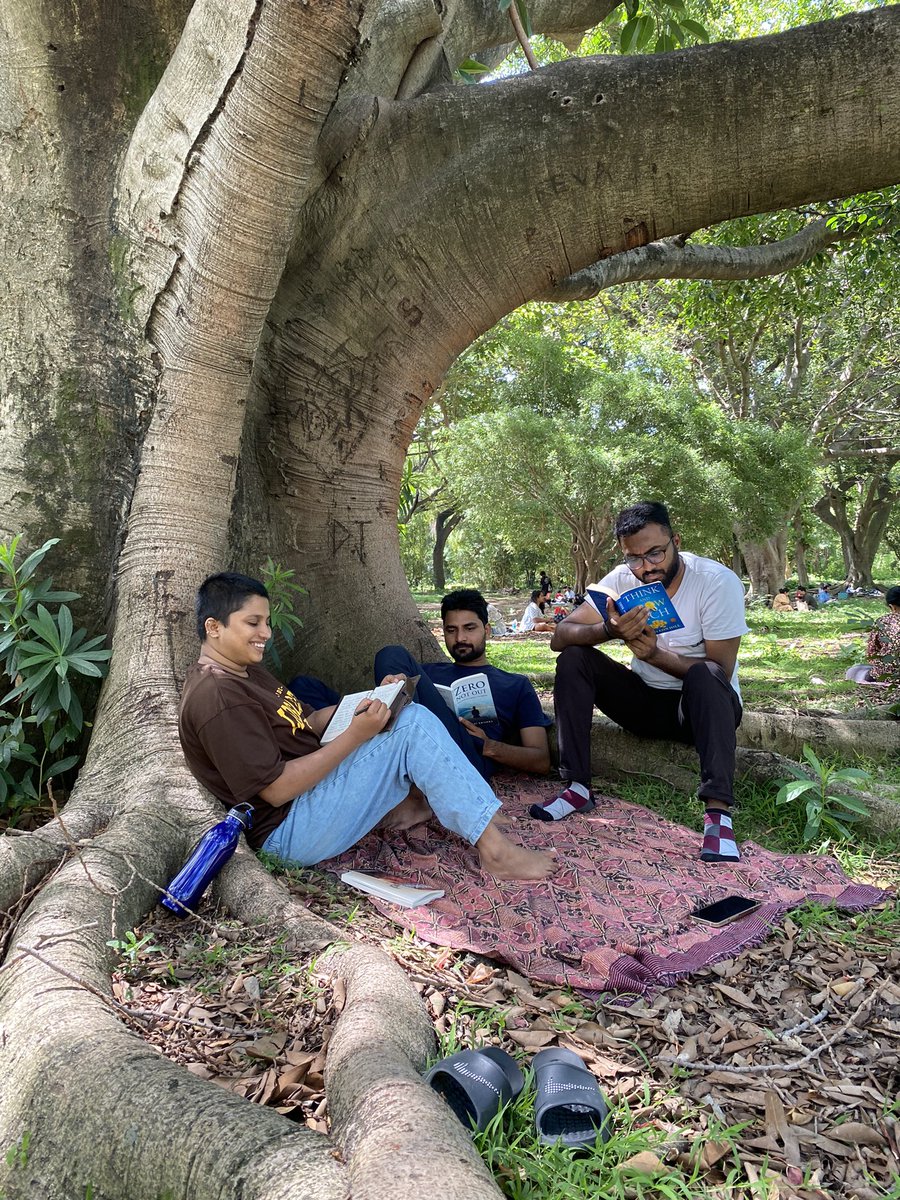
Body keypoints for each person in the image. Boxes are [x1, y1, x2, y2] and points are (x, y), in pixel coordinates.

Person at [178, 574, 556, 881]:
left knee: (401, 717)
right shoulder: (219, 696)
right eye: (252, 623)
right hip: (288, 830)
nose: (266, 633)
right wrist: (357, 735)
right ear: (214, 627)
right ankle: (495, 850)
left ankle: (452, 809)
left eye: (266, 622)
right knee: (413, 726)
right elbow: (276, 791)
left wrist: (368, 701)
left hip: (311, 796)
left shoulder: (244, 671)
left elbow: (305, 721)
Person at [539, 502, 749, 863]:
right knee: (574, 657)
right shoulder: (621, 580)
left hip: (700, 711)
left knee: (706, 673)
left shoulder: (715, 581)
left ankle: (718, 816)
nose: (646, 567)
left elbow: (722, 670)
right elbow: (561, 636)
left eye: (655, 553)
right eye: (634, 558)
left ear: (675, 541)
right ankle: (576, 787)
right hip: (645, 705)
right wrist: (608, 629)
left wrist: (654, 655)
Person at [373, 588, 552, 780]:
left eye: (469, 628)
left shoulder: (516, 684)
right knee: (391, 655)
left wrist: (489, 746)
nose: (460, 638)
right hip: (417, 745)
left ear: (487, 630)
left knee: (396, 655)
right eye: (452, 630)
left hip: (468, 757)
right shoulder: (428, 673)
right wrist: (393, 687)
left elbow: (541, 760)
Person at [846, 585, 900, 694]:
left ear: (892, 607)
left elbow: (871, 653)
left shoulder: (883, 622)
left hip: (885, 674)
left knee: (854, 670)